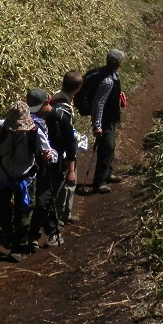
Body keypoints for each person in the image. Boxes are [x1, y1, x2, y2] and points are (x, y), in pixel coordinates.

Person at [0, 100, 56, 261]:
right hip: (4, 176)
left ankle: (18, 248)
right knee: (0, 213)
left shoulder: (35, 132)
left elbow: (50, 152)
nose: (18, 130)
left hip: (26, 178)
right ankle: (11, 234)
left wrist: (49, 155)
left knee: (23, 215)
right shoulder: (1, 127)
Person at [26, 87, 62, 248]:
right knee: (43, 201)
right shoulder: (31, 120)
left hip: (54, 166)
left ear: (47, 102)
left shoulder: (59, 118)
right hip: (39, 166)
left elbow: (69, 143)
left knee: (43, 201)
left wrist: (69, 167)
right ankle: (50, 230)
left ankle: (34, 234)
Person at [48, 71, 83, 224]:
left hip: (54, 147)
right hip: (63, 150)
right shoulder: (64, 107)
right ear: (77, 89)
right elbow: (67, 136)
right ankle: (61, 216)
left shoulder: (56, 96)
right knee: (67, 183)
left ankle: (60, 214)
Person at [91, 48, 125, 194]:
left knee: (110, 147)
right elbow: (98, 104)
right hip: (104, 121)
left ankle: (107, 173)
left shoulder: (112, 75)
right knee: (106, 148)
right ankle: (99, 182)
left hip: (110, 118)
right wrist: (97, 125)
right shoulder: (108, 80)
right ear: (118, 63)